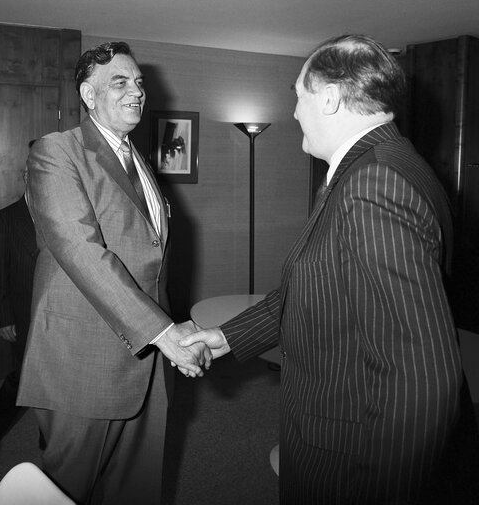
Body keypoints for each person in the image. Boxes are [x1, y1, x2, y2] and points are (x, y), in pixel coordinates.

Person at [181, 34, 479, 504]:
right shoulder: (383, 166)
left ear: (330, 97)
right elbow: (315, 283)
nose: (296, 112)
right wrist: (227, 336)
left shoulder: (373, 185)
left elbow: (422, 380)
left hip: (349, 455)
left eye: (298, 97)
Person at [16, 41, 210, 505]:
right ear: (88, 94)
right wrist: (165, 333)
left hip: (144, 362)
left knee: (135, 489)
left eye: (139, 83)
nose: (136, 92)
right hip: (82, 362)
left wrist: (167, 333)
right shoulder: (56, 152)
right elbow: (80, 250)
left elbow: (149, 257)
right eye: (119, 82)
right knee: (65, 491)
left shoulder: (139, 160)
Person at [0, 144, 39, 460]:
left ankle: (50, 438)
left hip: (59, 317)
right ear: (26, 176)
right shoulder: (5, 219)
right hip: (23, 317)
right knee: (22, 380)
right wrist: (2, 318)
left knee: (55, 383)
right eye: (35, 172)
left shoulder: (66, 215)